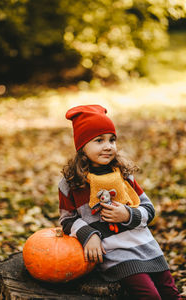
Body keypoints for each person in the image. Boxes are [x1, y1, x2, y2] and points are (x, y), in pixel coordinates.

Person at [58, 104, 181, 300]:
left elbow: (148, 209)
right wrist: (89, 234)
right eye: (99, 140)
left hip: (146, 245)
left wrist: (128, 215)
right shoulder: (71, 183)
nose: (108, 146)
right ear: (82, 147)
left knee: (171, 294)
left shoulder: (123, 175)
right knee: (150, 296)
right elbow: (67, 220)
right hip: (117, 255)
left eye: (112, 140)